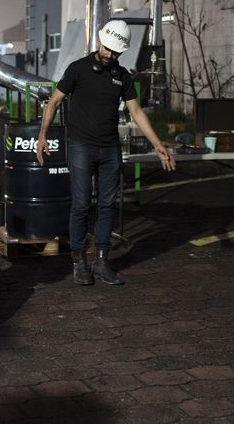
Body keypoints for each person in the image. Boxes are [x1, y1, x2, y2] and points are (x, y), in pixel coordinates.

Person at [36, 19, 176, 285]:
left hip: (110, 148)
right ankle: (79, 262)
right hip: (80, 146)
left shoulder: (122, 76)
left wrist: (159, 145)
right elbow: (54, 101)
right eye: (107, 49)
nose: (110, 55)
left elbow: (136, 111)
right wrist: (43, 136)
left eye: (116, 52)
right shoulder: (78, 69)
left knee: (108, 205)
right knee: (80, 204)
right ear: (100, 42)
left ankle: (101, 262)